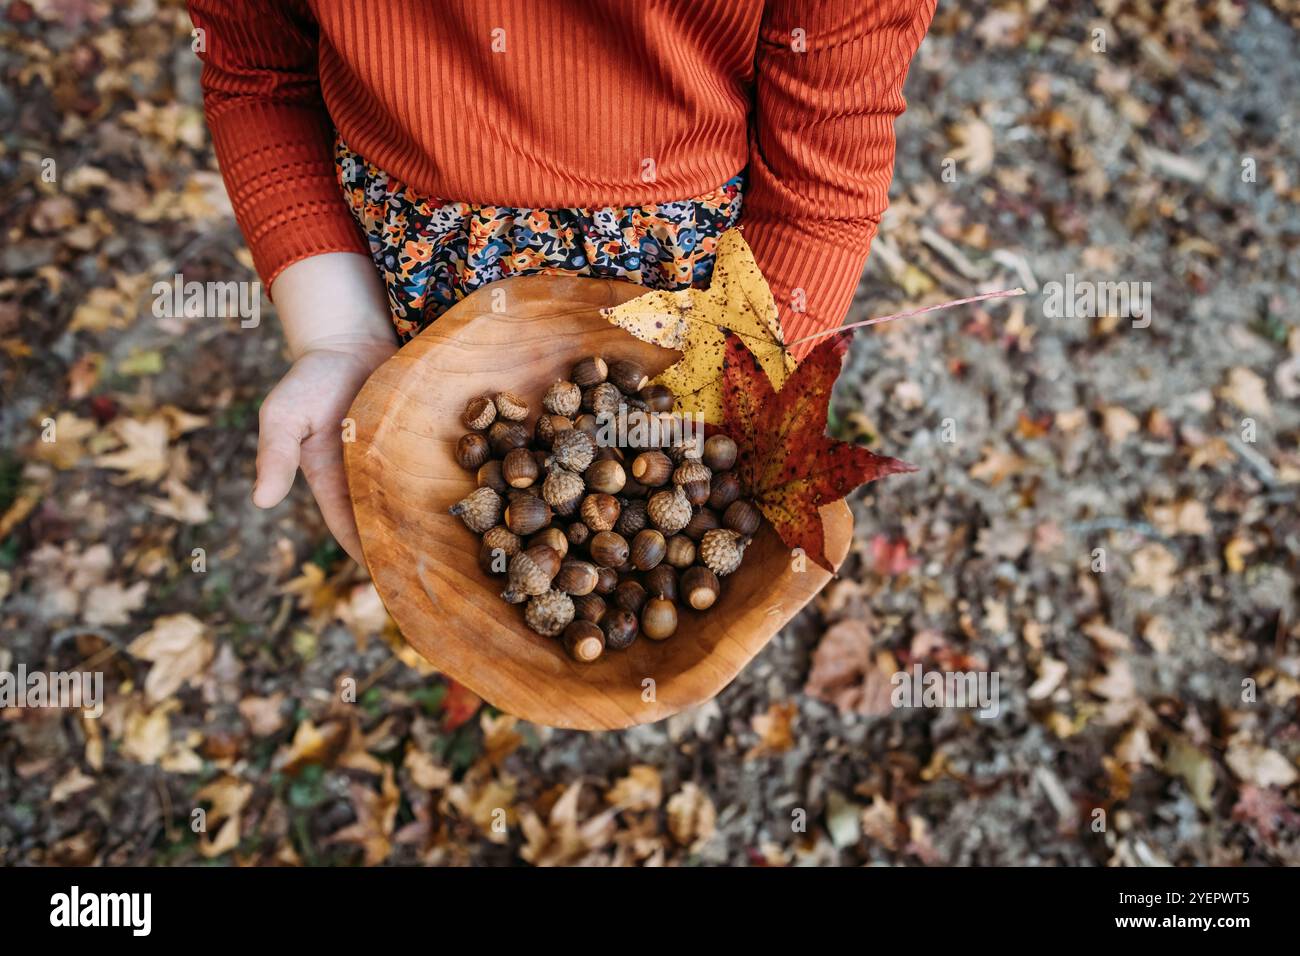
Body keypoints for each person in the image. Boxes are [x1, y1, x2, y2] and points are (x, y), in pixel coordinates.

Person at [188, 0, 937, 564]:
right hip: (405, 275)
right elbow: (258, 73)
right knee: (448, 505)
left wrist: (741, 375)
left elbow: (827, 168)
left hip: (696, 292)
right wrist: (337, 330)